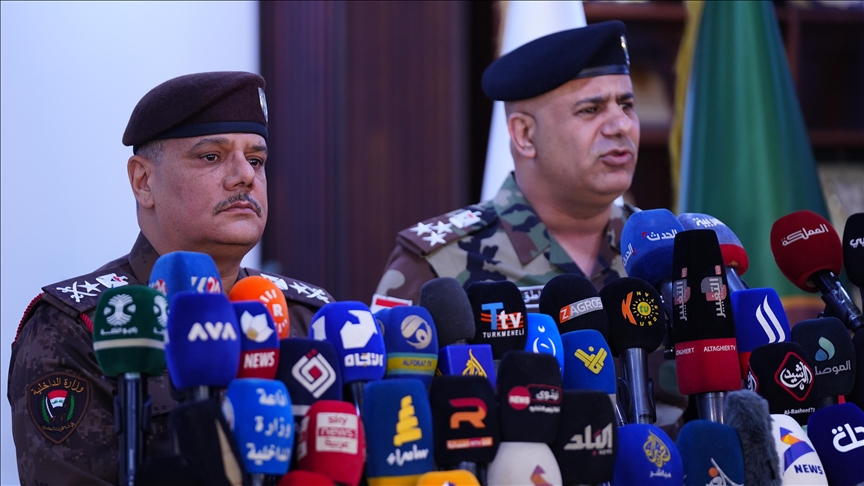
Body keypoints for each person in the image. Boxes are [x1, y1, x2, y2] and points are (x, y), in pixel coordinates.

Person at [7, 72, 333, 485]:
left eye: (255, 160)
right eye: (211, 157)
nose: (245, 176)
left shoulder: (311, 317)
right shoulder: (87, 324)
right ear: (144, 182)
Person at [374, 21, 638, 310]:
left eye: (626, 105)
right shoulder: (438, 266)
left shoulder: (662, 251)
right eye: (590, 110)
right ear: (525, 135)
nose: (622, 125)